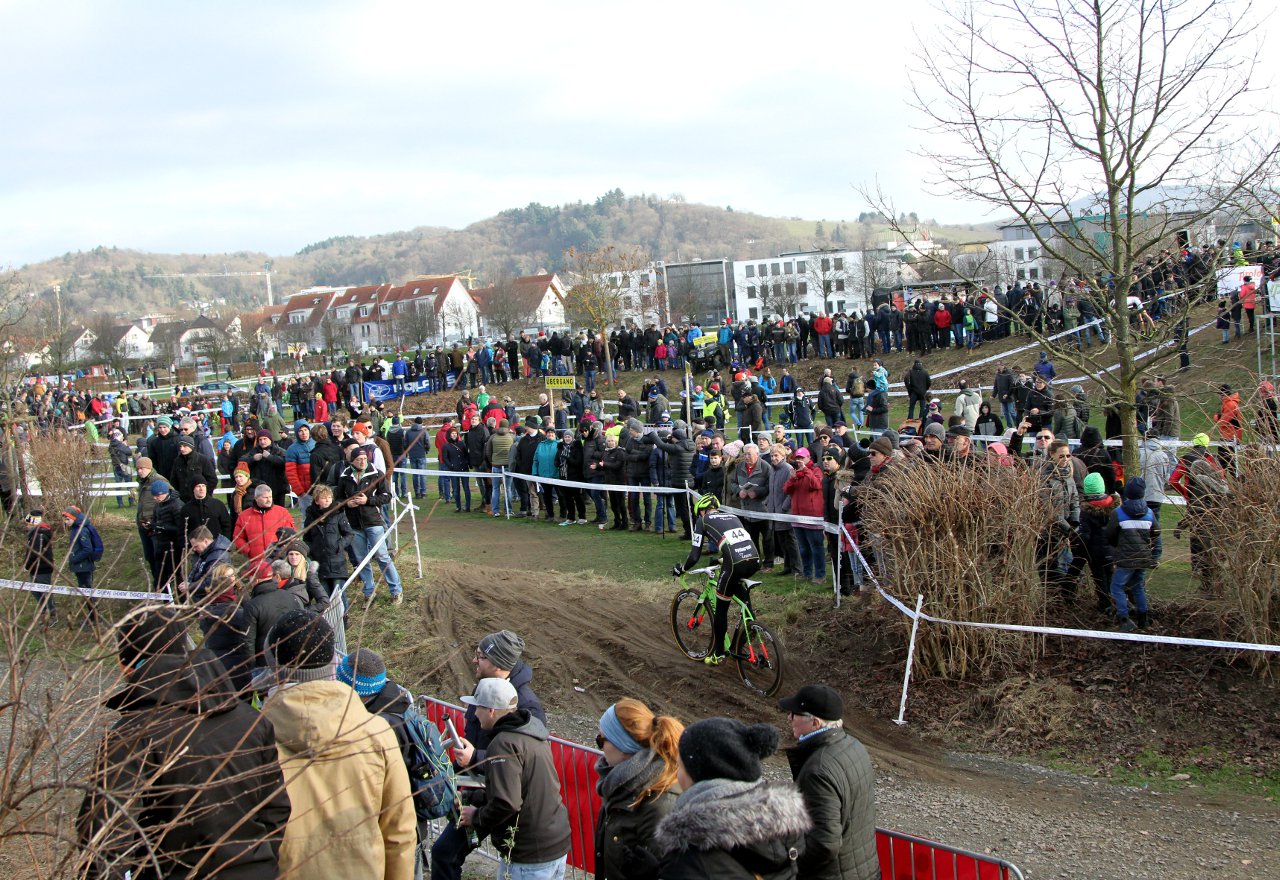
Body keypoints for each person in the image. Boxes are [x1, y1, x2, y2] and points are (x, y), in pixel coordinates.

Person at [76, 607, 291, 880]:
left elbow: (101, 835)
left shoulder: (133, 734)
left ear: (125, 665)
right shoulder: (252, 720)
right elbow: (275, 809)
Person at [261, 610, 416, 880]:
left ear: (273, 665)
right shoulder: (377, 733)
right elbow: (399, 831)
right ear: (333, 662)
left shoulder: (251, 741)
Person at [432, 630, 546, 880]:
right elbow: (476, 736)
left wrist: (475, 758)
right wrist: (458, 775)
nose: (474, 661)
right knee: (444, 853)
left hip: (502, 799)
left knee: (450, 854)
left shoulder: (527, 705)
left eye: (481, 656)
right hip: (477, 789)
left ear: (499, 664)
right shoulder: (483, 685)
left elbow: (526, 758)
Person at [654, 717, 811, 879]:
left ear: (698, 773)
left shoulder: (690, 860)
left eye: (680, 765)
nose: (677, 774)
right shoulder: (782, 835)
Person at [457, 677, 572, 880]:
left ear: (491, 710)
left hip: (529, 853)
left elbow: (507, 802)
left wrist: (476, 816)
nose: (475, 713)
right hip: (555, 843)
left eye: (478, 708)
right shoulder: (531, 731)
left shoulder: (503, 743)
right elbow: (522, 787)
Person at [777, 684, 878, 880]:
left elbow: (824, 844)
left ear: (815, 723)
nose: (789, 718)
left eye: (794, 713)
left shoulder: (818, 771)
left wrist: (787, 862)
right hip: (865, 871)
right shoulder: (854, 746)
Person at [593, 699, 685, 880]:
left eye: (601, 739)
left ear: (624, 745)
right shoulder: (618, 785)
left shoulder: (659, 805)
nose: (599, 746)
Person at [672, 494, 761, 665]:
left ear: (702, 511)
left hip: (734, 564)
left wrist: (682, 569)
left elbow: (694, 555)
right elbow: (738, 544)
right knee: (742, 599)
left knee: (721, 609)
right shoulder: (733, 516)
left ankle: (719, 653)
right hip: (755, 560)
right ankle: (749, 630)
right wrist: (720, 560)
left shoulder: (703, 521)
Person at [336, 446, 404, 607]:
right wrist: (347, 504)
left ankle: (396, 590)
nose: (362, 462)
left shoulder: (376, 474)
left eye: (365, 459)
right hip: (353, 524)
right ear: (351, 461)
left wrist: (368, 501)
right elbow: (338, 500)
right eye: (359, 459)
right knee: (361, 560)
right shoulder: (344, 476)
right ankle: (369, 592)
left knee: (382, 556)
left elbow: (387, 496)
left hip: (373, 521)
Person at [1105, 477, 1160, 632]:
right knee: (1138, 586)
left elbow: (1110, 534)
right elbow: (1156, 532)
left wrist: (1117, 547)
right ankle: (1144, 618)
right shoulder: (1149, 513)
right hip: (1143, 557)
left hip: (1125, 558)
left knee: (1117, 587)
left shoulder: (1118, 513)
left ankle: (1124, 618)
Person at [232, 484, 295, 568]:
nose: (269, 500)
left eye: (270, 497)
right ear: (256, 498)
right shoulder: (244, 516)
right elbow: (238, 538)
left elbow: (292, 534)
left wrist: (283, 550)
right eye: (265, 497)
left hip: (279, 561)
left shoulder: (283, 512)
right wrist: (249, 551)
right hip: (256, 561)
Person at [63, 506, 104, 629]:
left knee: (88, 593)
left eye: (67, 520)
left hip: (84, 567)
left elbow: (87, 549)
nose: (65, 522)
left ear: (74, 518)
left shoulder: (81, 531)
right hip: (81, 566)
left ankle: (94, 620)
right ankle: (92, 618)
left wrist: (73, 559)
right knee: (86, 593)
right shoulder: (76, 528)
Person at [23, 509, 57, 627]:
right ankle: (44, 612)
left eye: (28, 524)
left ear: (33, 523)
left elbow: (35, 553)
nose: (26, 526)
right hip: (34, 569)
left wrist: (26, 565)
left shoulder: (40, 535)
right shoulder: (33, 535)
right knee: (36, 591)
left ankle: (52, 615)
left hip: (42, 569)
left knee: (45, 593)